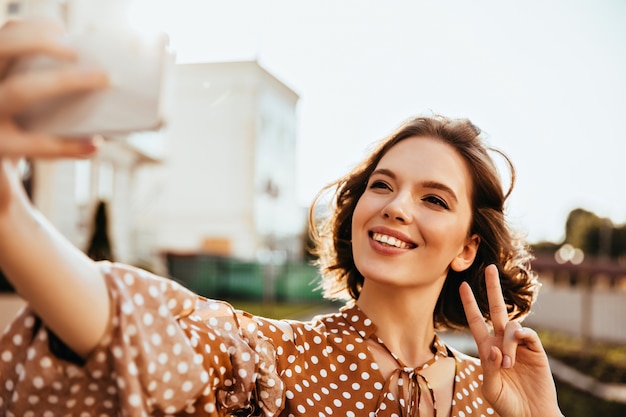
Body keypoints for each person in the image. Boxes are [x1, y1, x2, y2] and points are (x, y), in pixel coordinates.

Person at [0, 18, 563, 417]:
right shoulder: (270, 359)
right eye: (382, 185)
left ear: (467, 248)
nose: (395, 206)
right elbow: (128, 326)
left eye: (433, 199)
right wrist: (9, 215)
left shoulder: (491, 393)